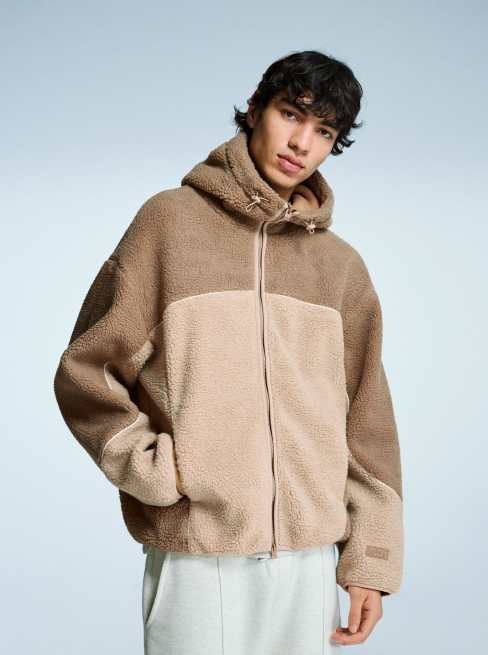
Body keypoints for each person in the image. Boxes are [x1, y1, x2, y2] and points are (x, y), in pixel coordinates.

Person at [53, 49, 404, 654]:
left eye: (324, 132)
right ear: (255, 109)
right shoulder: (168, 225)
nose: (302, 143)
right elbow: (87, 370)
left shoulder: (341, 267)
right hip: (197, 553)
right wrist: (157, 471)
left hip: (307, 558)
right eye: (291, 115)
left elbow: (366, 420)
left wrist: (371, 558)